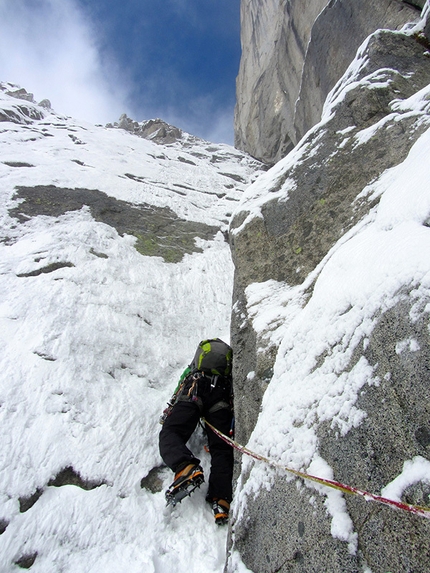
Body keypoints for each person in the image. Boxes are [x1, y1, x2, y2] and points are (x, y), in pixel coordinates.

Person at [159, 339, 234, 525]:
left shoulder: (194, 369)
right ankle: (221, 500)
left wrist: (170, 409)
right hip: (221, 395)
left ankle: (185, 466)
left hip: (195, 389)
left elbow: (181, 384)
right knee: (222, 449)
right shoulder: (226, 372)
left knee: (171, 431)